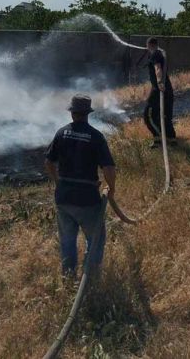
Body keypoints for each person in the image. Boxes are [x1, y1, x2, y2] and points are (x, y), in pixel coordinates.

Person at [45, 94, 116, 277]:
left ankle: (68, 276)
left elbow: (49, 162)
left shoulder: (61, 133)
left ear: (72, 113)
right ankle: (90, 278)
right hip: (87, 200)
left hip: (64, 198)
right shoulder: (95, 136)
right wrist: (112, 188)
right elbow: (108, 167)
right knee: (95, 239)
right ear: (87, 114)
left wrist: (58, 181)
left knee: (67, 241)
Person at [143, 36, 176, 145]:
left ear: (149, 45)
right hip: (167, 90)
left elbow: (158, 68)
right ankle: (171, 140)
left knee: (148, 115)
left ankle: (159, 138)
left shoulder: (155, 54)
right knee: (165, 116)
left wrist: (159, 82)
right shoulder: (158, 53)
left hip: (159, 90)